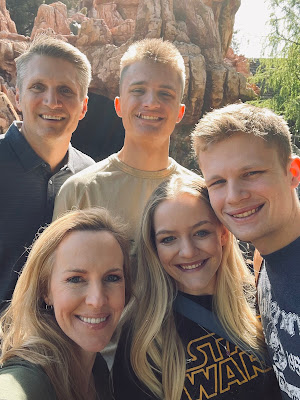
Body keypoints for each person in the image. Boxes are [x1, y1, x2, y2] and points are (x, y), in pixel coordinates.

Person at [113, 175, 281, 400]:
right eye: (168, 239)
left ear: (223, 233)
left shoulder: (262, 297)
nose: (188, 252)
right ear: (154, 248)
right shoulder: (142, 337)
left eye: (201, 233)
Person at [191, 103, 300, 398]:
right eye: (217, 182)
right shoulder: (264, 261)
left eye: (251, 173)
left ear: (293, 172)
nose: (234, 196)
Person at [53, 38, 197, 252]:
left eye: (165, 94)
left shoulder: (198, 194)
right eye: (138, 90)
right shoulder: (81, 191)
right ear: (118, 106)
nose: (151, 103)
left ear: (180, 112)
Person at [0, 36, 95, 307]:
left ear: (84, 106)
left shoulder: (90, 176)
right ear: (17, 97)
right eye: (38, 87)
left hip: (65, 344)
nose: (52, 101)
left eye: (65, 90)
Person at [0, 208, 132, 400]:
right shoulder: (28, 378)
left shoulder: (97, 369)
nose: (97, 301)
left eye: (112, 278)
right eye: (76, 279)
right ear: (45, 291)